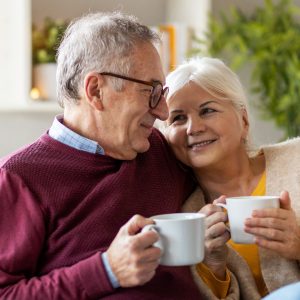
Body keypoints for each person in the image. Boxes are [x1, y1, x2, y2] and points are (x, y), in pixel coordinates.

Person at [0, 12, 207, 299]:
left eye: (162, 93)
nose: (162, 112)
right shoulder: (19, 177)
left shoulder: (162, 149)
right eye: (151, 91)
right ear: (96, 90)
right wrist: (107, 270)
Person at [161, 56, 300, 299]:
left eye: (207, 110)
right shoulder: (185, 215)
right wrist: (212, 266)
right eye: (178, 118)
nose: (193, 128)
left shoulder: (296, 159)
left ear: (243, 120)